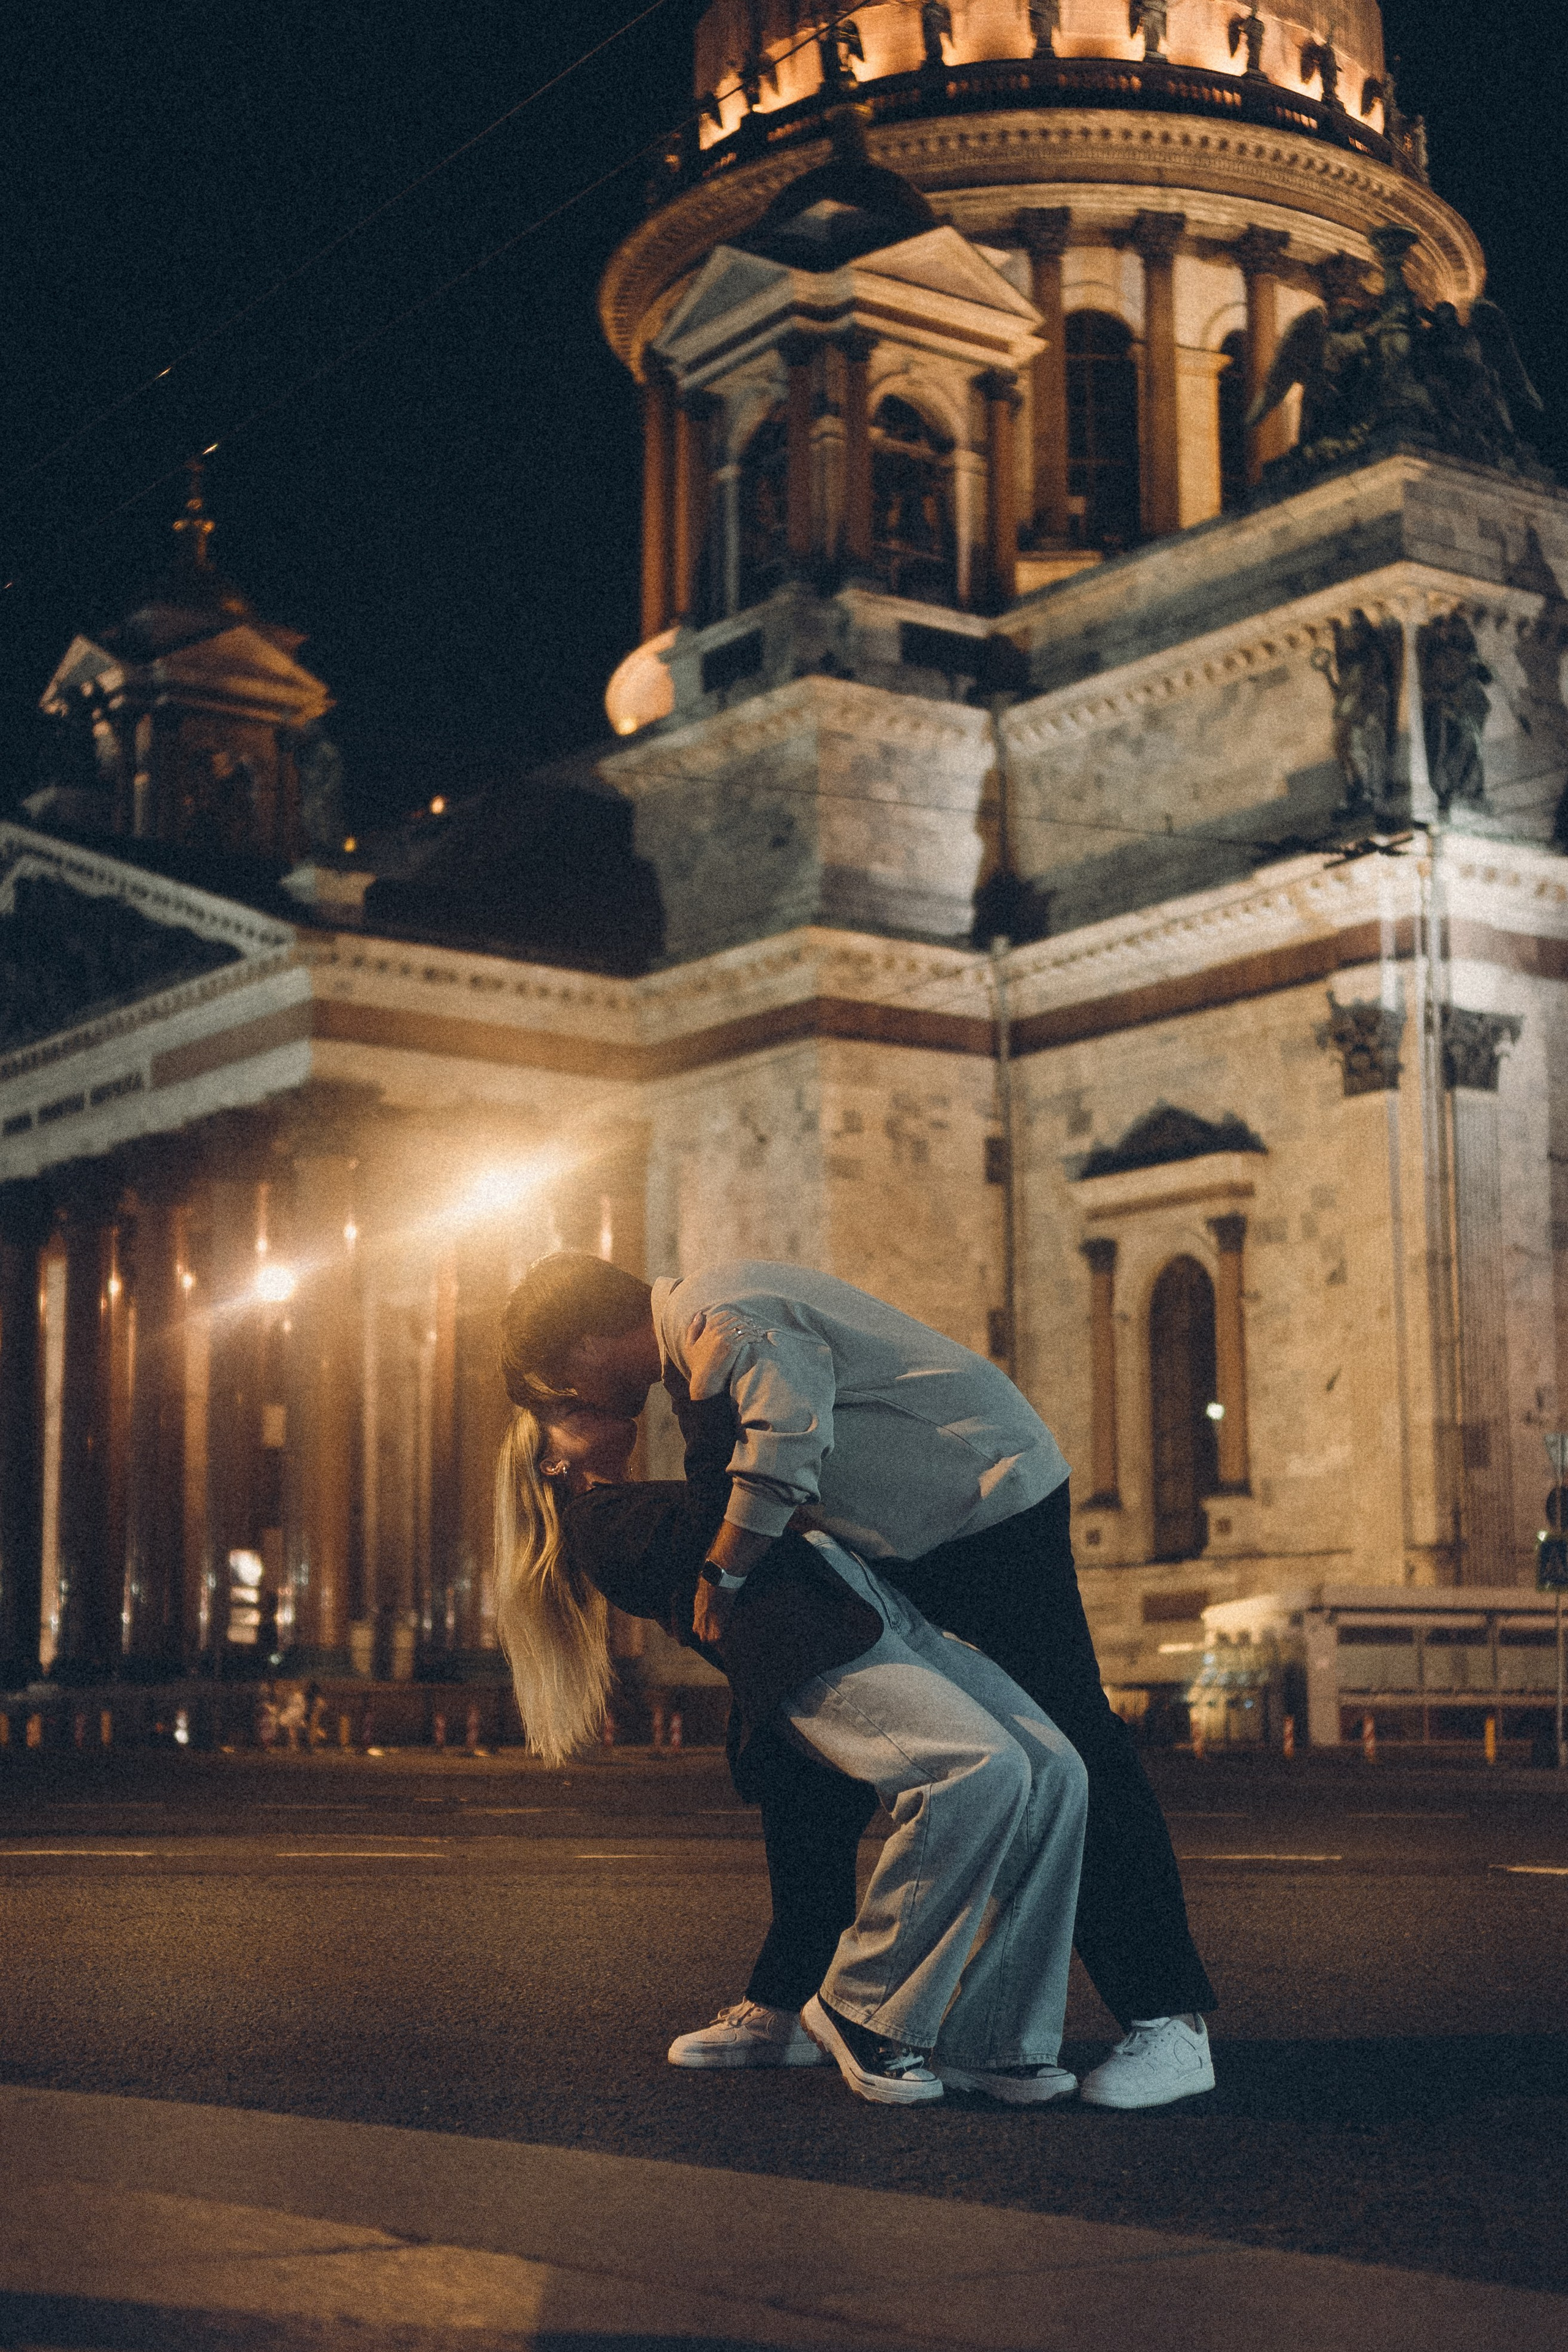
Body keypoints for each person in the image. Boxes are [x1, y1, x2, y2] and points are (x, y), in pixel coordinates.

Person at [503, 1253, 1218, 2110]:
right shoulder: (702, 1337)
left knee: (1072, 1742)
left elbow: (781, 1447)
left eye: (560, 1388)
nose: (568, 1405)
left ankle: (1169, 2021)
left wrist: (722, 1576)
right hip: (915, 1530)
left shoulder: (716, 1320)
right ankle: (788, 2001)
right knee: (804, 1751)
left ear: (588, 1344)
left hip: (986, 1511)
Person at [493, 1379, 1088, 2106]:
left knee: (1057, 1770)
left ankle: (995, 2038)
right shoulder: (599, 1523)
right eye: (563, 1413)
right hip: (819, 1647)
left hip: (880, 1617)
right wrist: (710, 1391)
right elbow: (727, 1512)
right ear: (549, 1463)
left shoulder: (636, 1500)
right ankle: (858, 2006)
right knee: (971, 1769)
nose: (588, 1403)